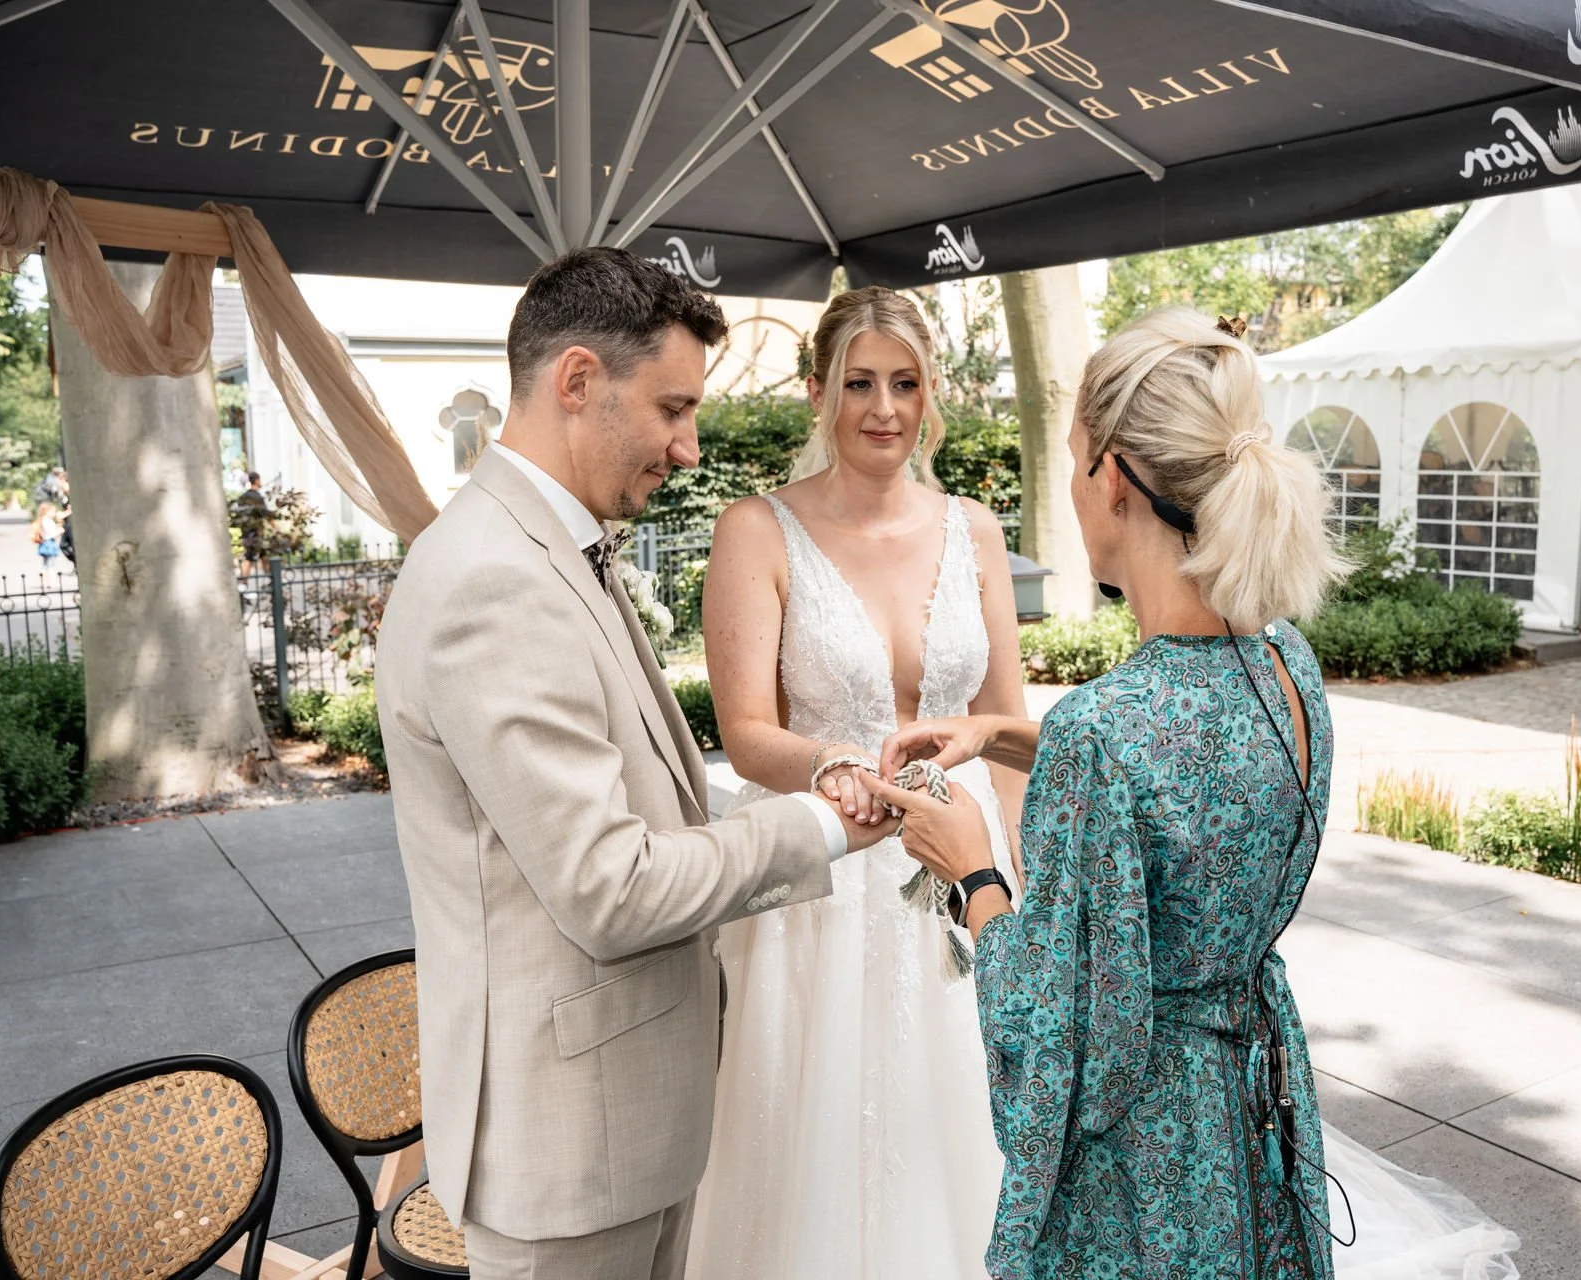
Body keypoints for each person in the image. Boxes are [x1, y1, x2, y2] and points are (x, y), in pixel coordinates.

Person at [866, 310, 1519, 1280]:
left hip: (1150, 1162)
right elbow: (1189, 783)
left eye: (1075, 460)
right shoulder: (1285, 661)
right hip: (1258, 1107)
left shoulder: (1105, 727)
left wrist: (972, 873)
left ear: (1114, 477)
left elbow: (1053, 1039)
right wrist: (1001, 732)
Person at [373, 247, 889, 1280]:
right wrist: (822, 825)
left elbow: (643, 800)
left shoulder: (548, 547)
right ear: (577, 380)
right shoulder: (493, 580)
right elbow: (610, 887)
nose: (688, 448)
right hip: (568, 1152)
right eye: (672, 408)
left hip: (624, 1125)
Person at [687, 286, 1029, 1279]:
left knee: (962, 1116)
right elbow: (746, 733)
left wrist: (1027, 879)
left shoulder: (976, 530)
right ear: (817, 392)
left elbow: (1006, 728)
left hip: (961, 869)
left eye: (905, 384)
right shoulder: (756, 529)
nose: (884, 408)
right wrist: (831, 765)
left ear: (931, 394)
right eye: (859, 383)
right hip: (821, 877)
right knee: (816, 1130)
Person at [30, 502, 65, 581]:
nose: (54, 513)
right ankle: (51, 582)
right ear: (47, 511)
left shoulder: (42, 520)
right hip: (49, 544)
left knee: (45, 565)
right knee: (50, 565)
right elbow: (52, 535)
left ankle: (44, 582)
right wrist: (60, 531)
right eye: (53, 511)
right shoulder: (48, 521)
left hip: (45, 544)